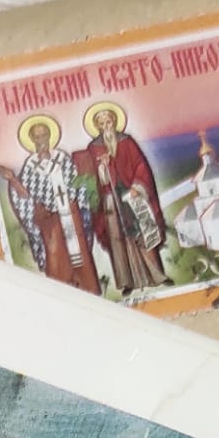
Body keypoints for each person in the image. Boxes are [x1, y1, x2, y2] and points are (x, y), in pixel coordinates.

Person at [0, 115, 101, 295]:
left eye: (44, 135)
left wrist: (73, 200)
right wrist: (13, 179)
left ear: (50, 136)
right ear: (32, 140)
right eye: (37, 137)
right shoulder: (30, 166)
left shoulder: (62, 158)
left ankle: (88, 290)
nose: (41, 140)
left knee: (80, 254)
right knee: (55, 257)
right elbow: (25, 196)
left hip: (71, 214)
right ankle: (60, 294)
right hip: (50, 222)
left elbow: (76, 183)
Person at [78, 102, 167, 297]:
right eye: (101, 123)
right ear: (97, 126)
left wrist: (137, 187)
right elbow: (94, 178)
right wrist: (103, 168)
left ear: (114, 121)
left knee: (142, 232)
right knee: (117, 239)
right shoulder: (94, 148)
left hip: (131, 194)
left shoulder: (127, 142)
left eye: (108, 121)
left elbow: (141, 165)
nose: (106, 126)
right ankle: (127, 281)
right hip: (111, 199)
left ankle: (156, 275)